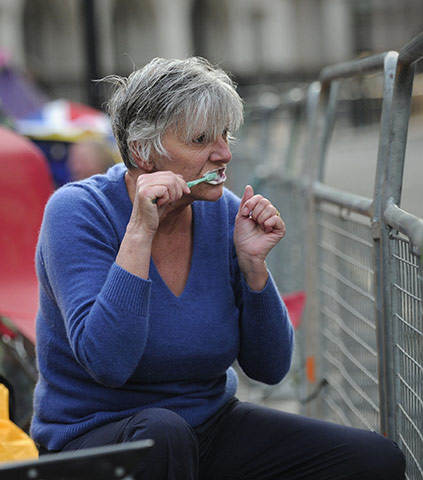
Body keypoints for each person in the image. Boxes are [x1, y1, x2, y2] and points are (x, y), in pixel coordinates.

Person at [30, 57, 406, 479]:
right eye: (200, 139)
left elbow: (270, 368)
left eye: (225, 134)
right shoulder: (77, 212)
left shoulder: (226, 214)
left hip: (207, 427)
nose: (224, 153)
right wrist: (139, 232)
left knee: (376, 459)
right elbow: (108, 363)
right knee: (162, 434)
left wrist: (254, 268)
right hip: (96, 440)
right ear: (143, 151)